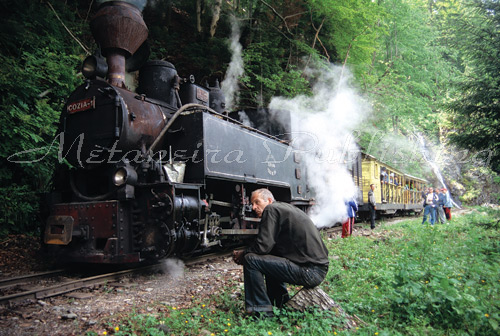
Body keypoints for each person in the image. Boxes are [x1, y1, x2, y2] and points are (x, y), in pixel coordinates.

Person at [232, 189, 329, 317]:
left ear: (269, 201)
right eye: (252, 204)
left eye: (257, 202)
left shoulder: (270, 209)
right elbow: (269, 248)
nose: (254, 207)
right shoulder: (283, 209)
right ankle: (280, 302)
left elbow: (262, 247)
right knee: (269, 257)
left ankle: (261, 312)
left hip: (311, 272)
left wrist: (243, 254)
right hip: (317, 269)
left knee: (250, 260)